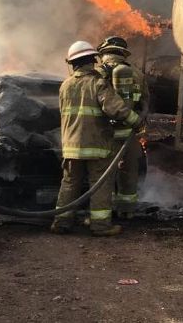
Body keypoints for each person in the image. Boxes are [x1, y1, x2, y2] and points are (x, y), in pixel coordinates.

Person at [51, 40, 144, 236]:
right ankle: (100, 226)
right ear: (92, 61)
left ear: (72, 64)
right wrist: (136, 121)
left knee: (69, 183)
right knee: (100, 184)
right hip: (96, 145)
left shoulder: (65, 85)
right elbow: (116, 109)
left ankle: (61, 222)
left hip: (70, 146)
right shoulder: (98, 84)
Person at [96, 36, 149, 219]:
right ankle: (126, 211)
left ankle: (103, 211)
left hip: (104, 132)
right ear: (124, 54)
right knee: (129, 170)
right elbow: (145, 101)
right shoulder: (137, 74)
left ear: (103, 53)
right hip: (129, 132)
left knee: (103, 172)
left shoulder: (96, 73)